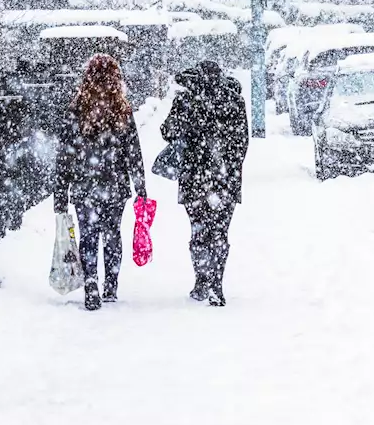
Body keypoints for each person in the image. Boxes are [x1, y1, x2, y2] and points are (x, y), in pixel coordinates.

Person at [53, 54, 147, 311]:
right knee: (112, 234)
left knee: (88, 236)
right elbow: (133, 151)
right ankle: (111, 284)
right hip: (115, 185)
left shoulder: (77, 109)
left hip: (85, 186)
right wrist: (140, 188)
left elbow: (65, 154)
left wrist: (60, 193)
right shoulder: (122, 109)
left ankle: (91, 283)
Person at [160, 60, 249, 307]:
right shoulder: (234, 101)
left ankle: (202, 280)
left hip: (193, 178)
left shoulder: (186, 101)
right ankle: (216, 284)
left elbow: (168, 132)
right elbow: (242, 144)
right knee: (220, 232)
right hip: (225, 179)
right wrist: (229, 169)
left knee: (199, 230)